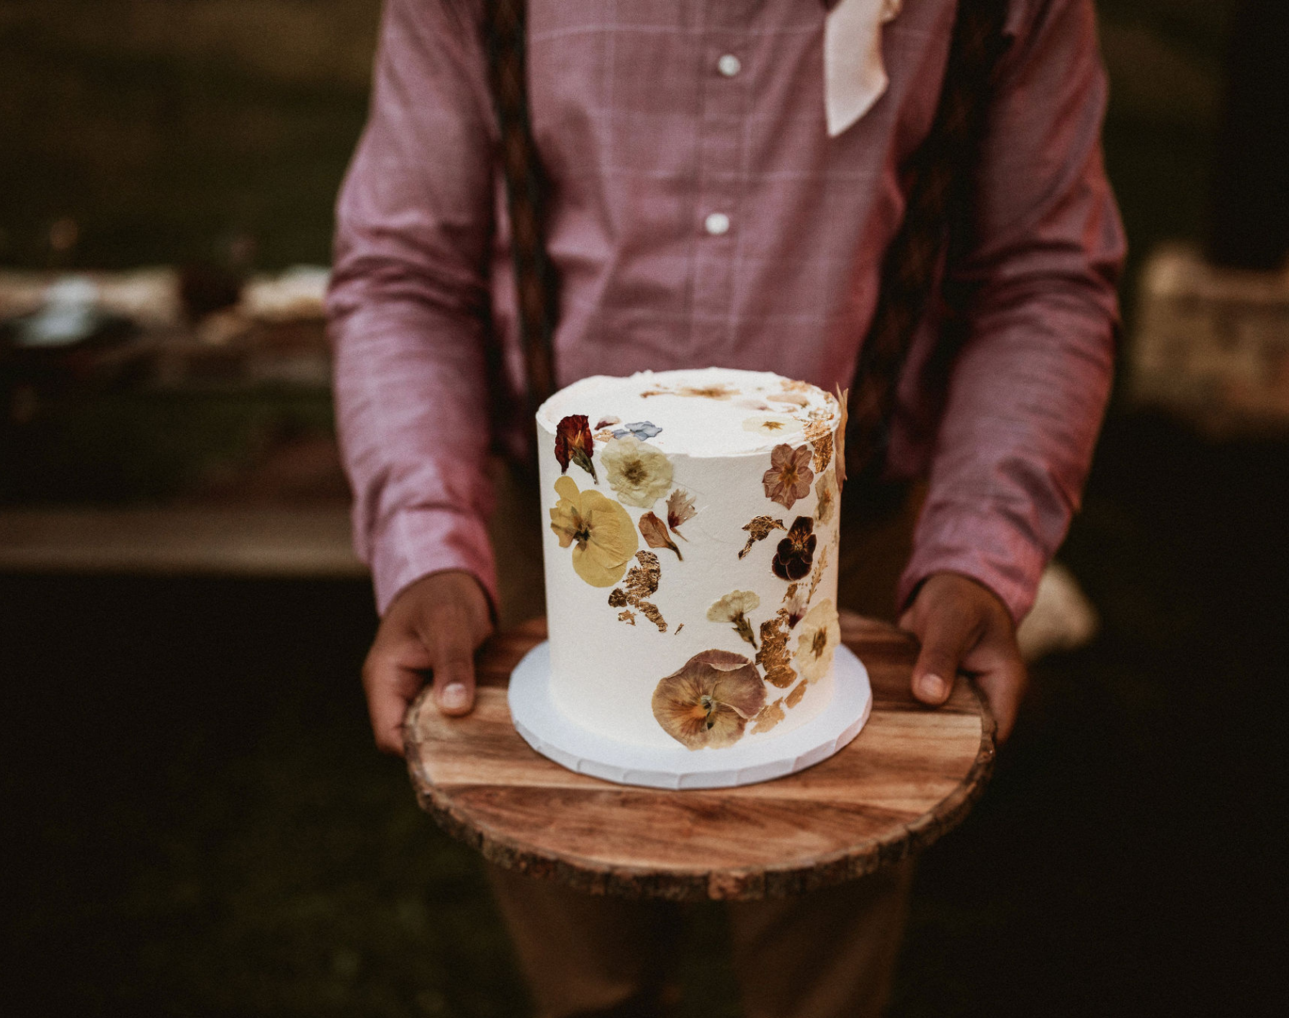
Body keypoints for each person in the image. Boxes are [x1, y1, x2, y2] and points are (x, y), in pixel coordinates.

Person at [327, 1, 1123, 1014]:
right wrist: (427, 542)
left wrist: (983, 547)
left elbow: (1042, 275)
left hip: (849, 536)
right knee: (586, 950)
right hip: (563, 537)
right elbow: (405, 271)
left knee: (824, 950)